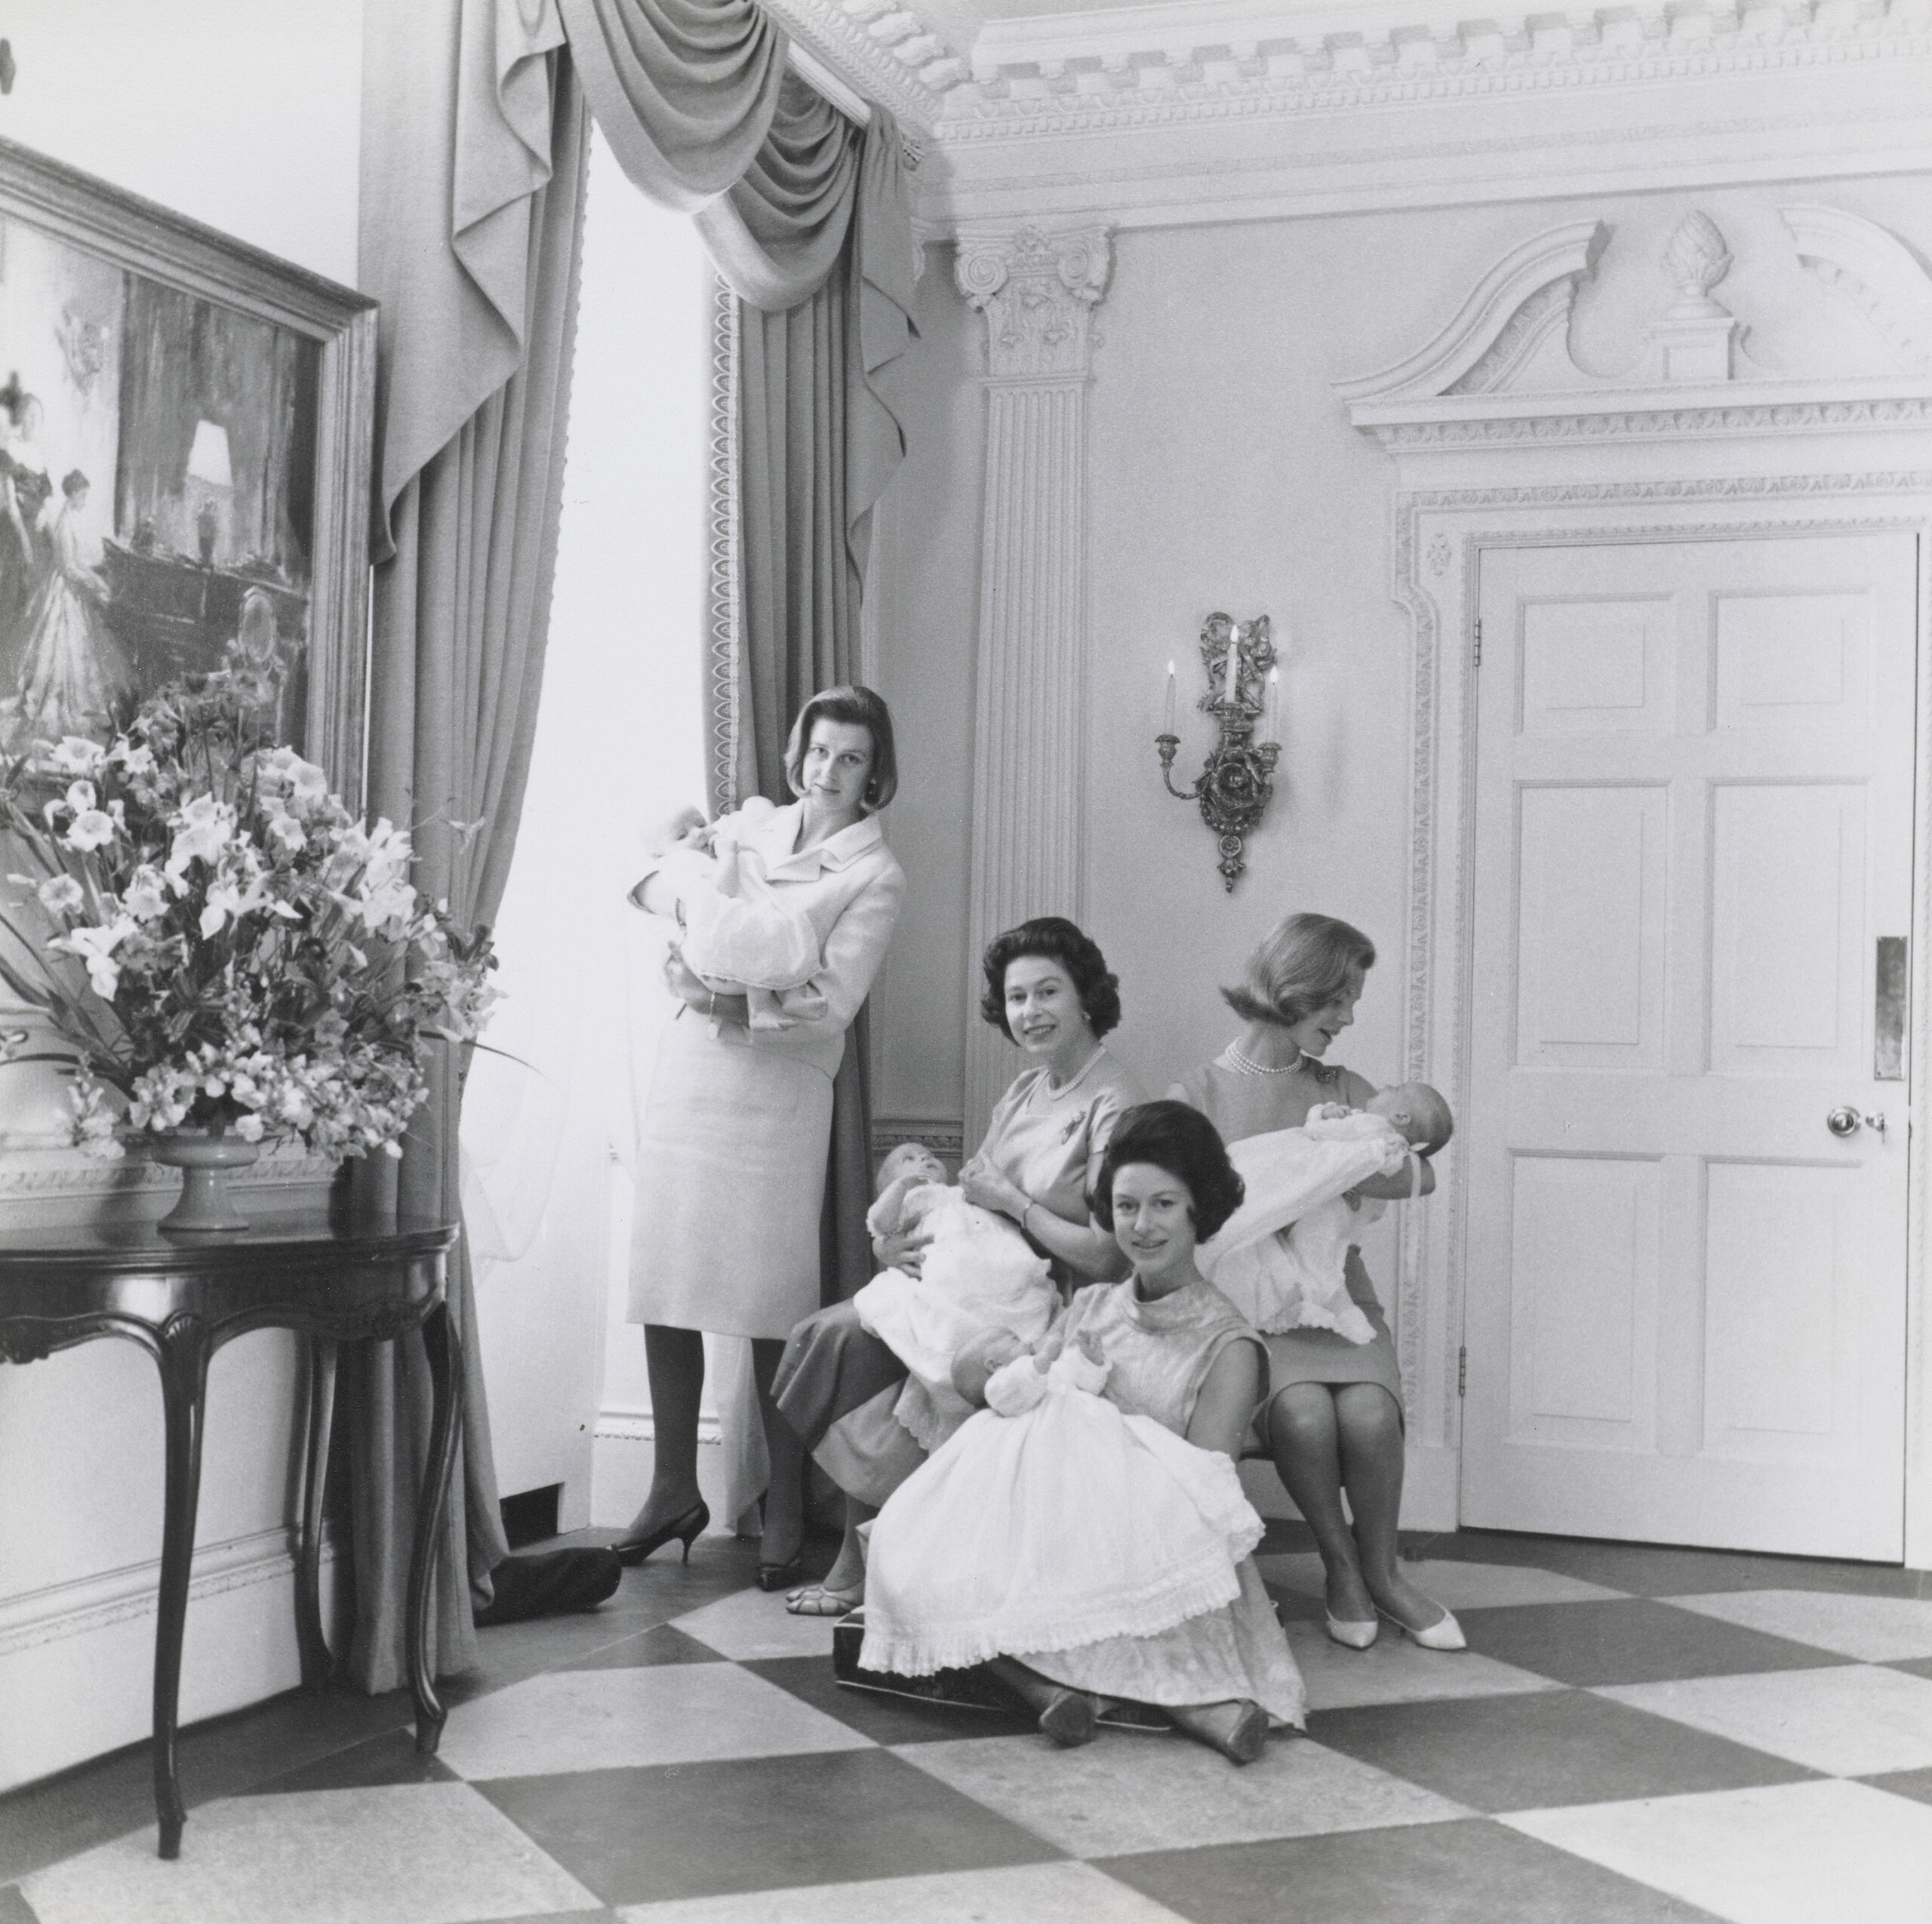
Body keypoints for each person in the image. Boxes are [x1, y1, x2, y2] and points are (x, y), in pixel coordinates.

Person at [861, 1101, 1304, 1764]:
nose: (1142, 1226)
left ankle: (1166, 1700)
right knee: (907, 1550)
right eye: (1126, 1206)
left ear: (1199, 1210)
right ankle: (1046, 1688)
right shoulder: (1094, 1305)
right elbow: (1035, 1402)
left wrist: (1095, 1439)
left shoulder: (1229, 1344)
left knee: (1021, 1599)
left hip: (1160, 1542)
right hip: (1062, 1522)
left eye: (1163, 1205)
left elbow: (1206, 1494)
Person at [617, 686, 906, 1587]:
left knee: (770, 1305)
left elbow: (830, 1004)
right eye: (818, 752)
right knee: (666, 1283)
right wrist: (689, 904)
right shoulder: (748, 827)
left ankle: (785, 1502)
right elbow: (656, 882)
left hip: (779, 1091)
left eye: (849, 757)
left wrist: (721, 993)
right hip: (692, 1075)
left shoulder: (876, 875)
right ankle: (671, 1486)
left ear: (874, 773)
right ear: (798, 754)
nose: (828, 771)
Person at [774, 916, 1142, 1617]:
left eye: (1047, 993)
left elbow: (1107, 1252)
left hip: (1054, 1306)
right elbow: (967, 1203)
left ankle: (870, 1561)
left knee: (862, 1347)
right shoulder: (1025, 1091)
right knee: (832, 1334)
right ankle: (870, 1552)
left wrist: (1013, 1202)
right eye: (1015, 998)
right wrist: (896, 1245)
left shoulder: (1114, 1101)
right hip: (980, 1281)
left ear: (1087, 996)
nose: (1029, 1013)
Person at [1173, 913, 1463, 1653]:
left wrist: (1341, 1158)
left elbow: (1416, 1171)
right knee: (1302, 1416)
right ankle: (1339, 1569)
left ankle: (1384, 1574)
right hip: (1252, 1308)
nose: (1348, 1017)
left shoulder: (1344, 1089)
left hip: (1334, 1294)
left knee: (1367, 1416)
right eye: (1338, 999)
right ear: (1294, 991)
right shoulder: (1197, 1093)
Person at [1204, 1081, 1453, 1348]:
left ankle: (1308, 1297)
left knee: (1293, 1236)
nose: (1386, 1086)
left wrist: (1322, 1115)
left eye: (1394, 1090)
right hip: (1338, 1207)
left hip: (1327, 1195)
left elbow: (1319, 1132)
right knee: (1318, 1250)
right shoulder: (1390, 1143)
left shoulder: (1370, 1125)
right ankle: (1323, 1300)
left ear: (1401, 1117)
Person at [851, 1139, 1057, 1451]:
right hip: (955, 1256)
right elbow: (881, 1223)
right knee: (953, 1277)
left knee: (1019, 1275)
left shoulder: (964, 1191)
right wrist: (902, 1187)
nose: (923, 1157)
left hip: (998, 1252)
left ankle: (1023, 1343)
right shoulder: (916, 1199)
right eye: (908, 1159)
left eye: (929, 1155)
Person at [650, 793, 834, 1033]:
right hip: (714, 946)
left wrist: (740, 852)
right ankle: (759, 1011)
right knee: (757, 940)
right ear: (660, 855)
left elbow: (756, 866)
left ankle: (792, 997)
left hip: (737, 927)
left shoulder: (714, 847)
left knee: (783, 929)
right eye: (682, 836)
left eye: (701, 823)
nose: (698, 833)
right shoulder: (683, 865)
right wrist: (728, 857)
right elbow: (719, 895)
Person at [2, 469, 132, 750]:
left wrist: (95, 578)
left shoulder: (71, 518)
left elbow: (79, 562)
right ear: (72, 495)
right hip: (64, 591)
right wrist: (96, 583)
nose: (85, 499)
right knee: (62, 649)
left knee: (83, 650)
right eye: (82, 495)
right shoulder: (63, 522)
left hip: (74, 589)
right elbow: (69, 567)